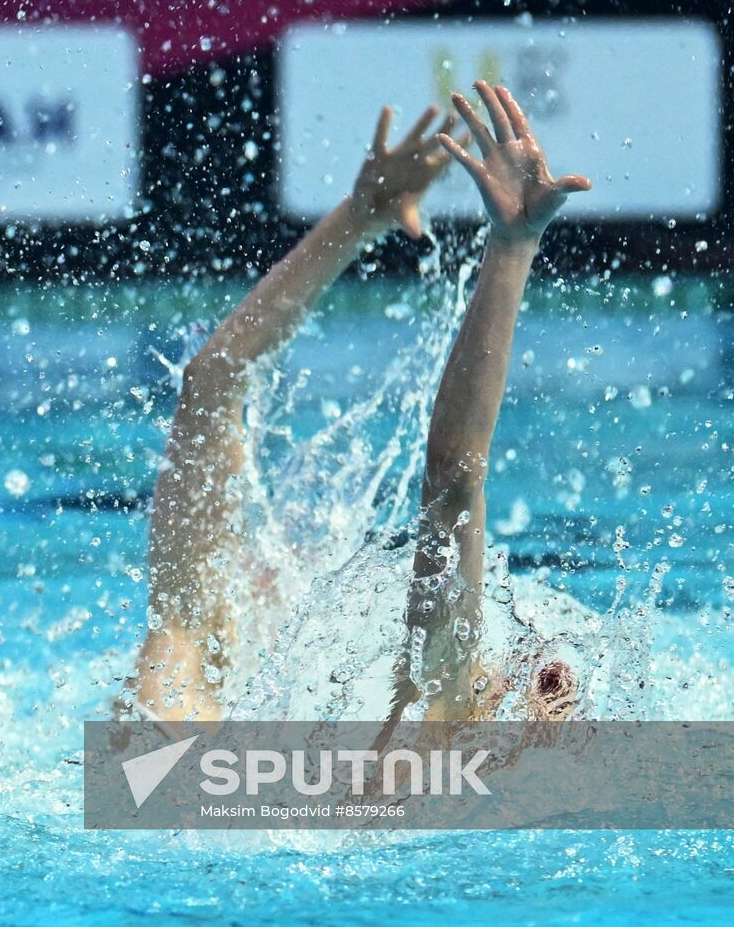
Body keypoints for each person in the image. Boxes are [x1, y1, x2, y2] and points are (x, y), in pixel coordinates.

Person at [122, 82, 588, 726]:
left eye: (535, 679)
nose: (539, 672)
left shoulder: (431, 744)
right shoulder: (422, 741)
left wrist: (380, 221)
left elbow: (453, 478)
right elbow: (213, 384)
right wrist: (382, 219)